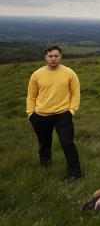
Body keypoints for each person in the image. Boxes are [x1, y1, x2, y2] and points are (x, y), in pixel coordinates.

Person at [26, 44, 82, 179]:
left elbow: (76, 94)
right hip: (40, 116)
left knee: (68, 144)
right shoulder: (37, 74)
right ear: (45, 57)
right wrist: (31, 114)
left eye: (56, 56)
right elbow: (31, 96)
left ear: (60, 57)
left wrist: (71, 111)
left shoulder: (69, 73)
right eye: (50, 56)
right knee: (44, 143)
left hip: (63, 115)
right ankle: (46, 169)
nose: (53, 59)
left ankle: (75, 174)